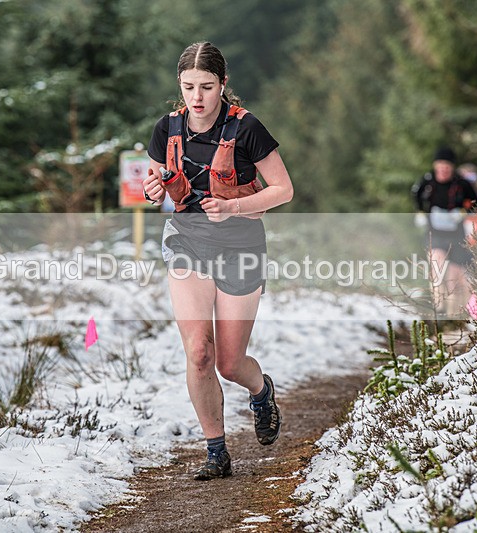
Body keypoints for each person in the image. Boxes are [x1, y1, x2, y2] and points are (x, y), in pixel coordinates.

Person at [142, 42, 294, 480]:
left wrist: (234, 207)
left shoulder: (247, 129)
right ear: (180, 86)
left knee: (229, 362)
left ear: (223, 84)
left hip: (241, 245)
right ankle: (215, 450)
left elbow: (283, 190)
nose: (197, 96)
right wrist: (153, 192)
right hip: (187, 241)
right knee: (199, 353)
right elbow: (155, 182)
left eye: (207, 86)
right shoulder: (165, 128)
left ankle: (261, 390)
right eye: (188, 86)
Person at [412, 147, 477, 317]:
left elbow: (476, 202)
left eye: (447, 166)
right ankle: (439, 307)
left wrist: (462, 213)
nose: (443, 169)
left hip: (457, 236)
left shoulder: (462, 184)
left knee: (455, 276)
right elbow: (416, 198)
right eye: (440, 165)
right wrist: (421, 213)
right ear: (435, 166)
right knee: (437, 264)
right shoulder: (427, 182)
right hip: (434, 234)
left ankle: (456, 315)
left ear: (452, 167)